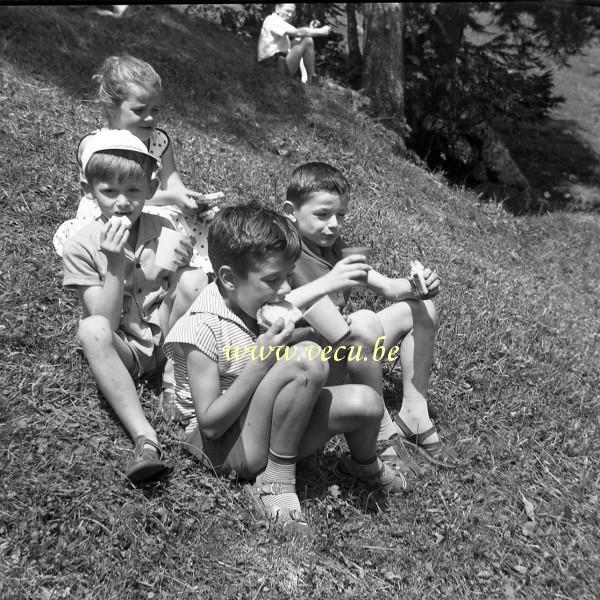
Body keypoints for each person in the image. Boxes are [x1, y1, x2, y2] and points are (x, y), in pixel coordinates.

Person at [163, 203, 408, 535]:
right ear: (228, 279)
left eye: (287, 277)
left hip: (257, 424)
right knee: (306, 358)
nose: (283, 289)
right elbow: (209, 425)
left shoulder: (254, 303)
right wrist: (263, 360)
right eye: (273, 280)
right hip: (222, 449)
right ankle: (275, 482)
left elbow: (305, 308)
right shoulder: (203, 327)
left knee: (367, 402)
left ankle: (362, 465)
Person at [283, 162, 460, 476]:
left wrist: (421, 284)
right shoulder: (284, 252)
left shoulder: (335, 249)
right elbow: (276, 307)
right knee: (364, 321)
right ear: (290, 211)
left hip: (345, 346)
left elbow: (390, 288)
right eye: (322, 215)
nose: (333, 225)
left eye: (341, 215)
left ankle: (414, 415)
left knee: (421, 310)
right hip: (311, 362)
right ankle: (380, 434)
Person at [61, 129, 206, 484]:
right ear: (89, 191)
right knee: (91, 330)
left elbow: (178, 288)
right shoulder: (80, 246)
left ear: (151, 191)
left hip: (166, 338)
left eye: (134, 191)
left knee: (196, 279)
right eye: (109, 192)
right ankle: (146, 438)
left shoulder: (164, 226)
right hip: (124, 345)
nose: (122, 202)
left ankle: (177, 383)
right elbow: (106, 322)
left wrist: (180, 268)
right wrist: (115, 265)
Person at [53, 54, 220, 278]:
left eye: (156, 110)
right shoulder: (97, 145)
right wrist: (171, 198)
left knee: (203, 221)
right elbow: (113, 192)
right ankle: (137, 268)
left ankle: (167, 272)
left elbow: (173, 184)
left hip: (153, 205)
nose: (150, 118)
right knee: (151, 223)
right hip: (112, 206)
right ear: (112, 109)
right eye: (140, 110)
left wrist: (189, 200)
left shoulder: (159, 141)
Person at [257, 4, 331, 85]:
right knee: (307, 40)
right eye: (287, 11)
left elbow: (298, 36)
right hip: (272, 64)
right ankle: (312, 78)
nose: (290, 15)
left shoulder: (278, 21)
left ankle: (311, 77)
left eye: (293, 12)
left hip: (277, 61)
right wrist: (320, 31)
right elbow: (297, 33)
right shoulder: (273, 20)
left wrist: (311, 29)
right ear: (277, 9)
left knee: (305, 40)